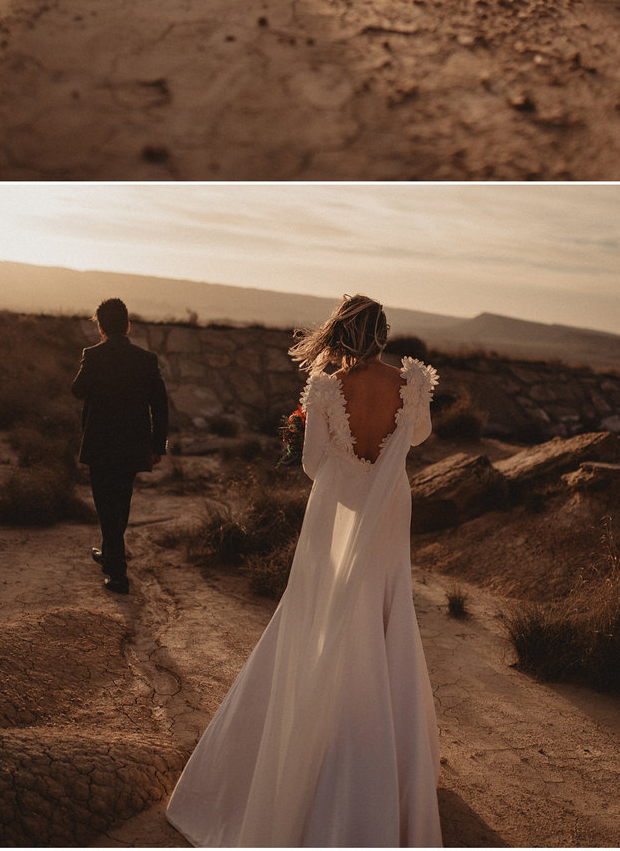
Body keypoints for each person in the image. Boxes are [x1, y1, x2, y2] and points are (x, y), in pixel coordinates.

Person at [165, 294, 442, 846]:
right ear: (383, 335)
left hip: (337, 512)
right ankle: (386, 758)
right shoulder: (411, 380)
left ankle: (316, 738)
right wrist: (379, 457)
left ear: (339, 334)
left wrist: (344, 461)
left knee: (328, 612)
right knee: (386, 610)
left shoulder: (324, 388)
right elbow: (417, 437)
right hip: (388, 513)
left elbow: (315, 464)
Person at [71, 297, 167, 594]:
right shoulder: (147, 360)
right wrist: (157, 446)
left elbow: (77, 391)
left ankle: (118, 572)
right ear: (128, 325)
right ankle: (109, 553)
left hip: (100, 443)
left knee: (104, 505)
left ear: (100, 327)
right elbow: (160, 405)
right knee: (120, 503)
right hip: (132, 445)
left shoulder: (93, 355)